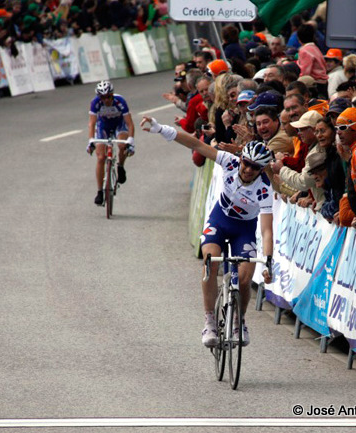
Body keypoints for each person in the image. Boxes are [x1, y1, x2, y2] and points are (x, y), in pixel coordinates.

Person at [141, 116, 273, 347]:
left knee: (244, 278)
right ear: (241, 159)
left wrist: (269, 260)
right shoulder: (230, 162)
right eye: (247, 163)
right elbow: (196, 145)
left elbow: (267, 229)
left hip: (244, 229)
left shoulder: (264, 189)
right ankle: (209, 321)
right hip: (220, 220)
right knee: (210, 262)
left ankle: (239, 321)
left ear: (262, 169)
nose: (249, 169)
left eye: (256, 167)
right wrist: (161, 129)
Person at [87, 81, 135, 205]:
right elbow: (92, 123)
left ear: (112, 94)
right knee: (101, 157)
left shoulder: (120, 101)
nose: (106, 100)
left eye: (108, 96)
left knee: (121, 145)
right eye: (102, 97)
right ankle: (99, 191)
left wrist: (131, 140)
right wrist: (91, 140)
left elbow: (129, 123)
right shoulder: (95, 103)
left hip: (119, 124)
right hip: (103, 126)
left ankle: (120, 166)